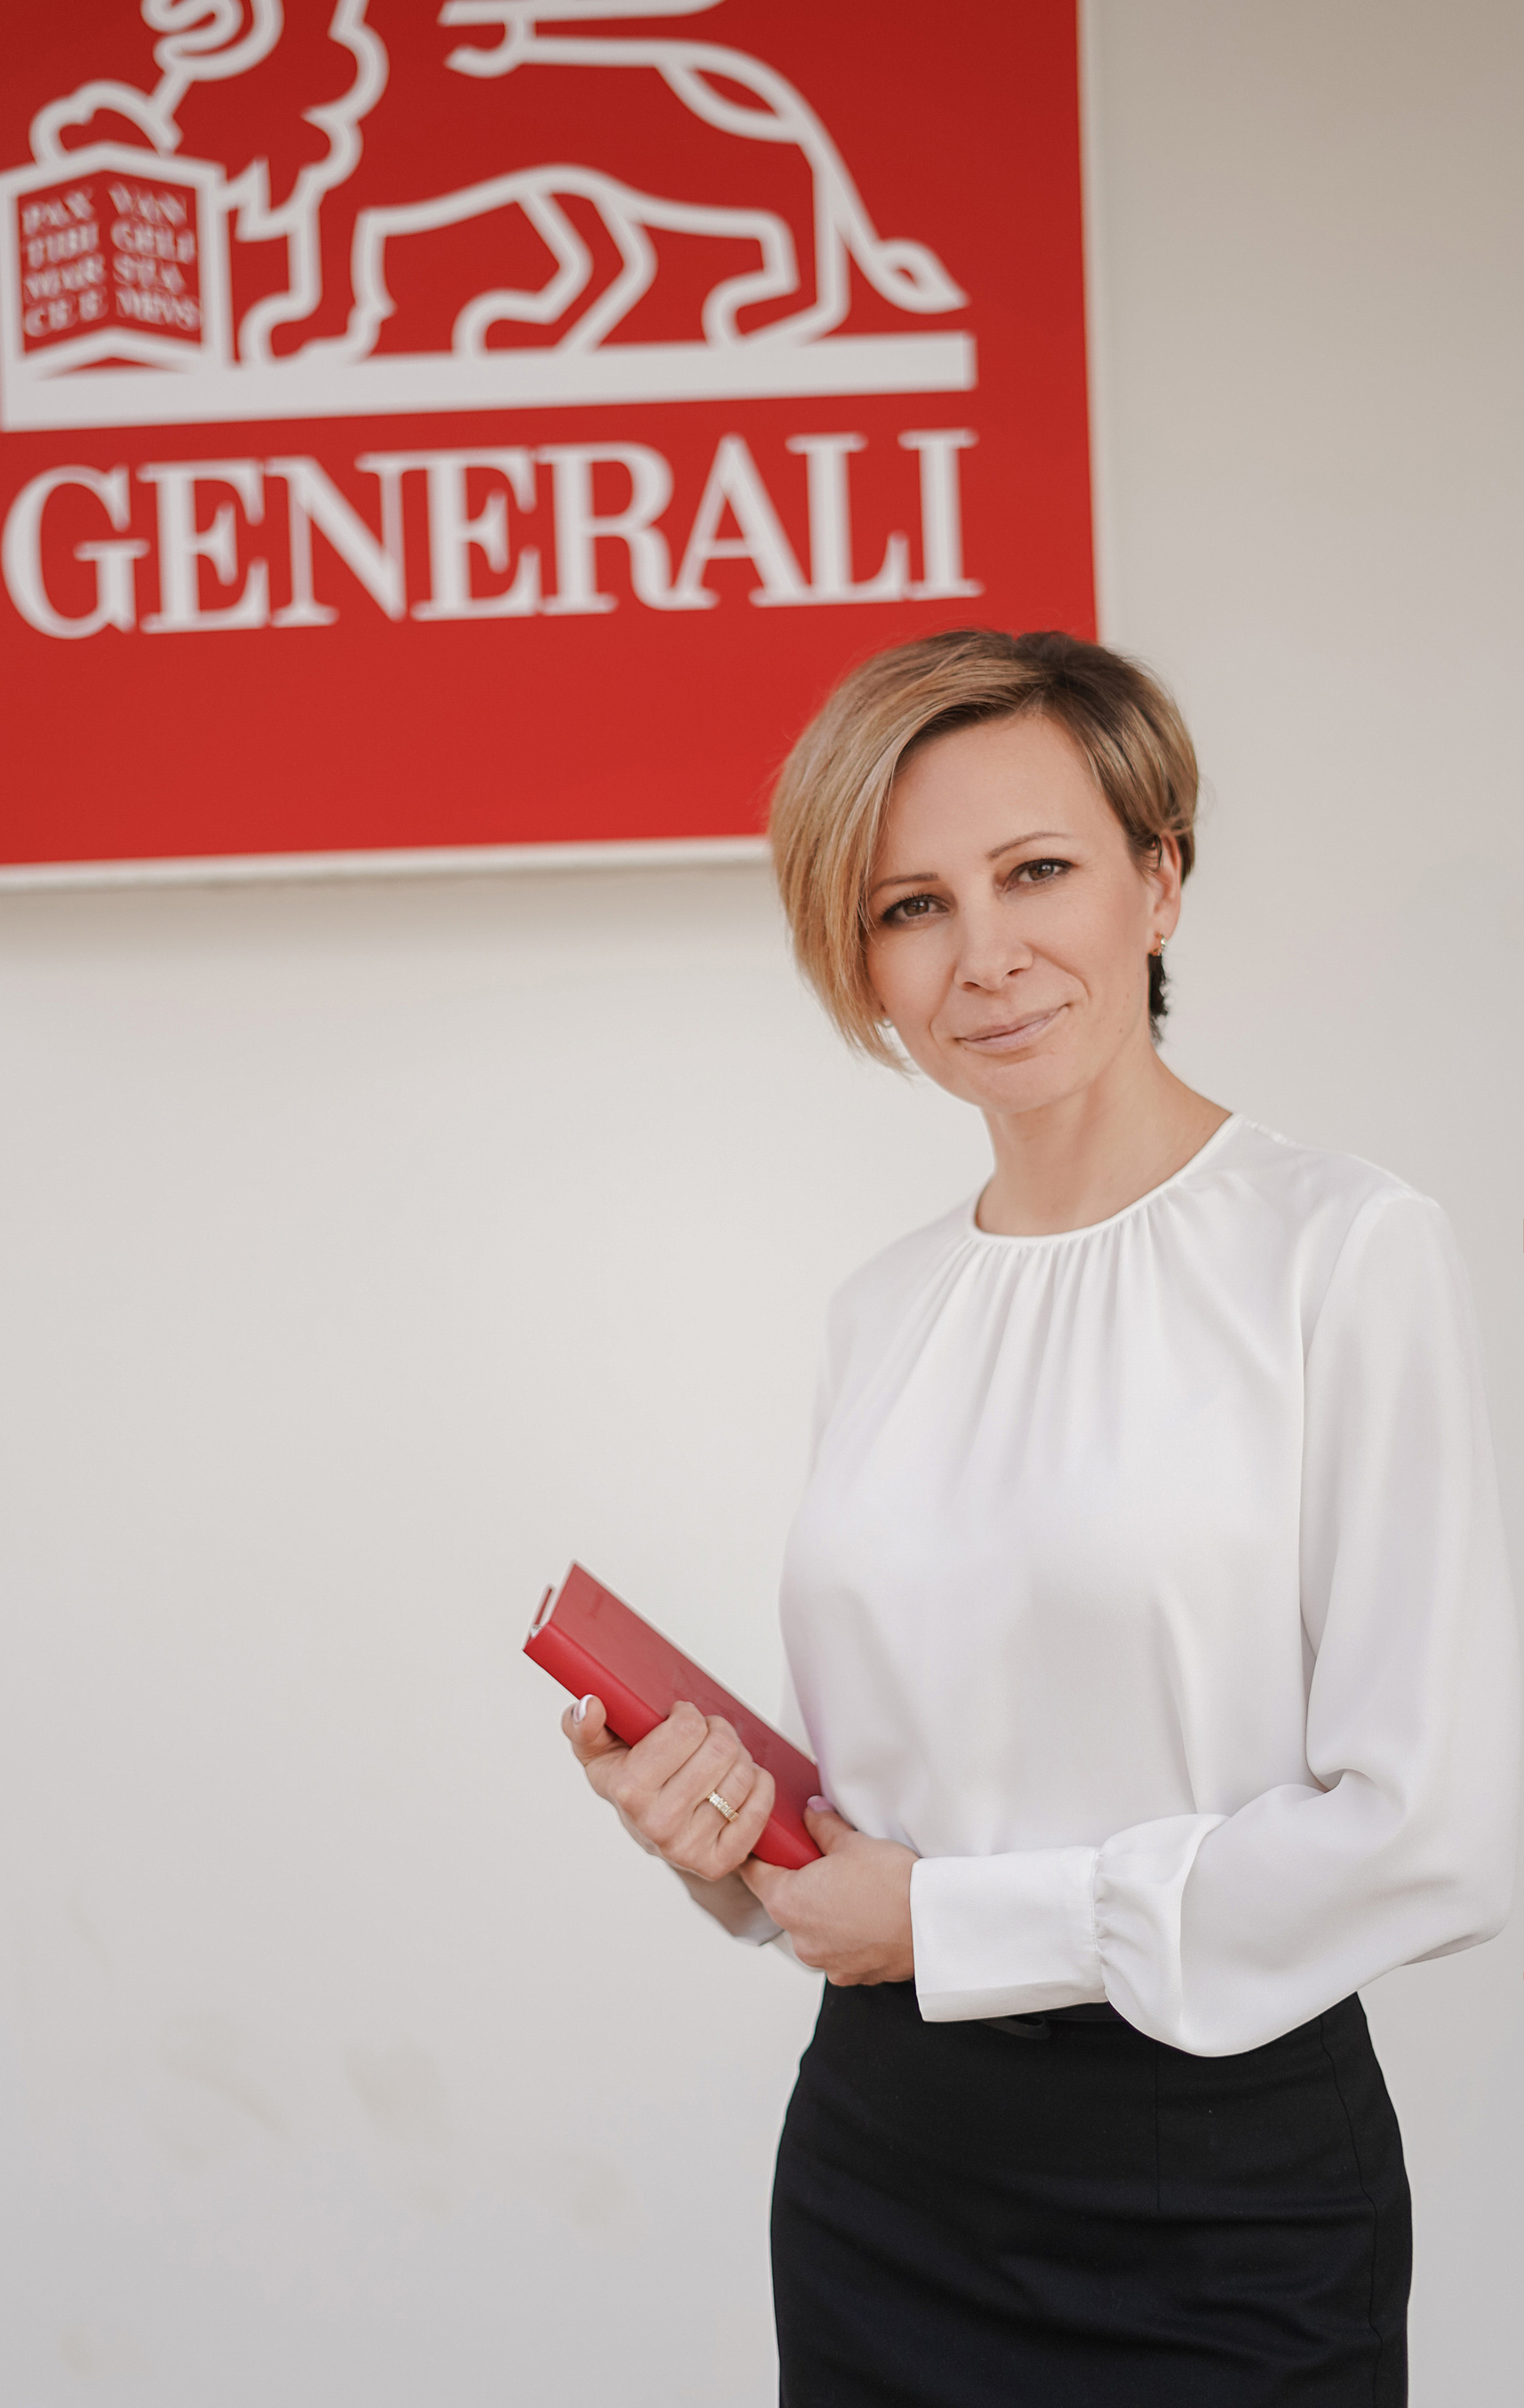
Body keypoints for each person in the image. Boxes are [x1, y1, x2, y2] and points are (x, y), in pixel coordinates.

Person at [559, 629, 1520, 2404]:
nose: (983, 956)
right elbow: (875, 1826)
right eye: (912, 906)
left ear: (1159, 880)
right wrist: (727, 1843)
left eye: (1037, 872)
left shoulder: (1344, 1252)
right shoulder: (884, 1308)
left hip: (1220, 2191)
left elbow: (1435, 1830)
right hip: (881, 2168)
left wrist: (955, 1924)